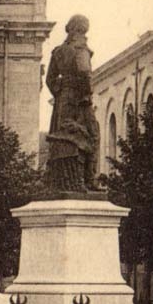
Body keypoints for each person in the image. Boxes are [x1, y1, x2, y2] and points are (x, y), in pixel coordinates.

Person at [45, 14, 100, 193]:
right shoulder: (80, 48)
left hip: (63, 100)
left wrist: (59, 90)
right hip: (79, 98)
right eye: (84, 30)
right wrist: (86, 94)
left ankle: (67, 180)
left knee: (65, 136)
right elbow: (84, 73)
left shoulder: (58, 51)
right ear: (80, 29)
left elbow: (50, 79)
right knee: (91, 134)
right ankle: (87, 179)